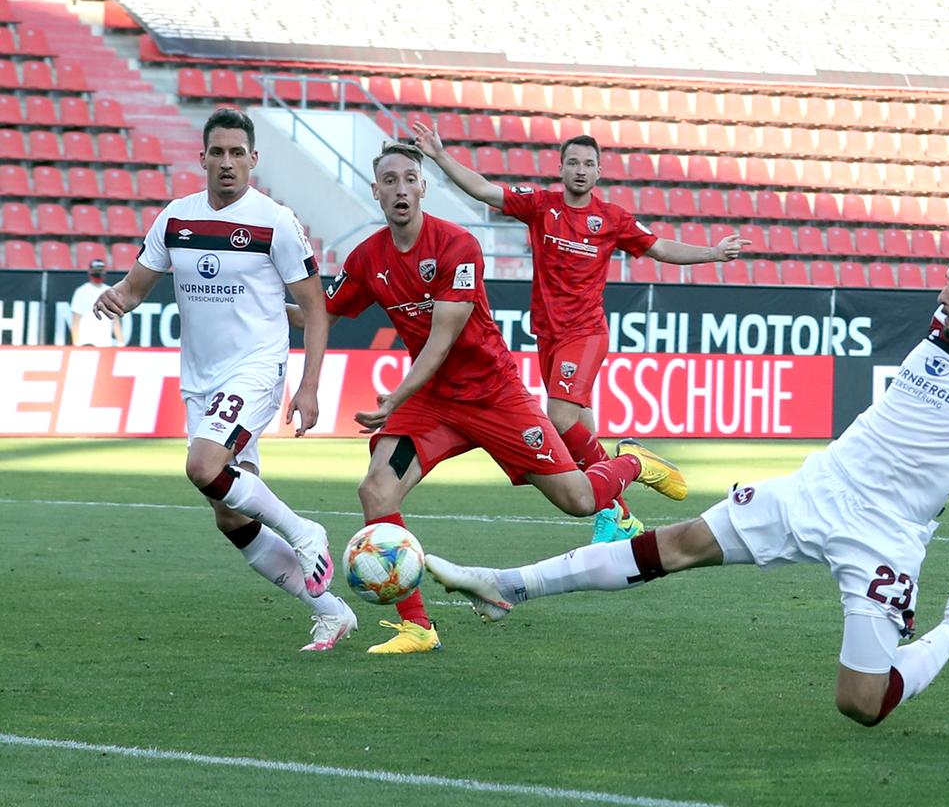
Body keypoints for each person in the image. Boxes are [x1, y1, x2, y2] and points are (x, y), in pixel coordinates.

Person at [426, 234, 949, 727]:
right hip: (815, 489)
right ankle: (505, 585)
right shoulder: (946, 335)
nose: (941, 290)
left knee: (862, 705)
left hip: (885, 536)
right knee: (672, 545)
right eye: (945, 277)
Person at [301, 140, 687, 654]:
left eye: (407, 179)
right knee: (376, 491)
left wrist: (394, 398)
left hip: (495, 395)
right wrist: (255, 304)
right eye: (388, 181)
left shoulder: (457, 244)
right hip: (433, 402)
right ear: (375, 191)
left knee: (578, 500)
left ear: (422, 186)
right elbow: (321, 312)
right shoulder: (368, 258)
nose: (399, 188)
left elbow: (441, 340)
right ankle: (417, 627)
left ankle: (632, 462)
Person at [411, 122, 748, 543]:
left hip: (585, 334)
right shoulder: (541, 206)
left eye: (589, 164)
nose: (581, 170)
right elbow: (485, 190)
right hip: (549, 338)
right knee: (581, 436)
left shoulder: (612, 219)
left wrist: (713, 253)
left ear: (599, 172)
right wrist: (441, 156)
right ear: (561, 168)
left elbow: (660, 247)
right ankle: (622, 516)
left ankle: (629, 472)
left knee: (559, 418)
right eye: (573, 162)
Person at [93, 108, 353, 651]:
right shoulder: (175, 219)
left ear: (254, 160)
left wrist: (308, 387)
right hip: (201, 380)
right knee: (228, 514)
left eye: (238, 153)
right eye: (219, 153)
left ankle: (305, 532)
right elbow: (136, 288)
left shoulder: (276, 222)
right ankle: (331, 612)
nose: (228, 163)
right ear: (203, 158)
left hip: (257, 368)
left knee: (202, 465)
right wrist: (117, 297)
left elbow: (315, 307)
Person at [69, 260, 123, 346]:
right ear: (89, 271)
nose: (98, 272)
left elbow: (115, 320)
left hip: (106, 344)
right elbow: (75, 320)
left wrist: (121, 342)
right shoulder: (81, 291)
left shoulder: (110, 291)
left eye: (101, 269)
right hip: (86, 343)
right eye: (96, 270)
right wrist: (76, 344)